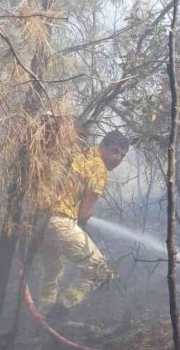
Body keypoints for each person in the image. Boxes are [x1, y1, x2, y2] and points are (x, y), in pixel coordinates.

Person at [38, 130, 129, 322]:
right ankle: (59, 312)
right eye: (115, 151)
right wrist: (82, 224)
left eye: (122, 155)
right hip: (62, 222)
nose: (118, 158)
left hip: (42, 222)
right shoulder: (100, 168)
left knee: (52, 270)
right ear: (103, 146)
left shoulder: (82, 153)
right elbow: (85, 213)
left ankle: (43, 313)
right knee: (99, 268)